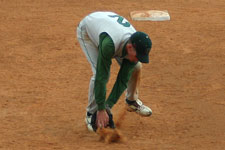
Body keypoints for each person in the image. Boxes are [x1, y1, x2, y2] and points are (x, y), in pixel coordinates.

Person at [76, 11, 153, 132]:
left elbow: (122, 79)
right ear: (129, 48)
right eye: (138, 55)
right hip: (88, 32)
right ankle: (91, 114)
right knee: (97, 73)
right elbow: (102, 76)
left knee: (136, 67)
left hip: (110, 31)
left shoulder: (132, 46)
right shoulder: (109, 45)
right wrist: (101, 109)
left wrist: (107, 106)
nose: (139, 58)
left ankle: (131, 101)